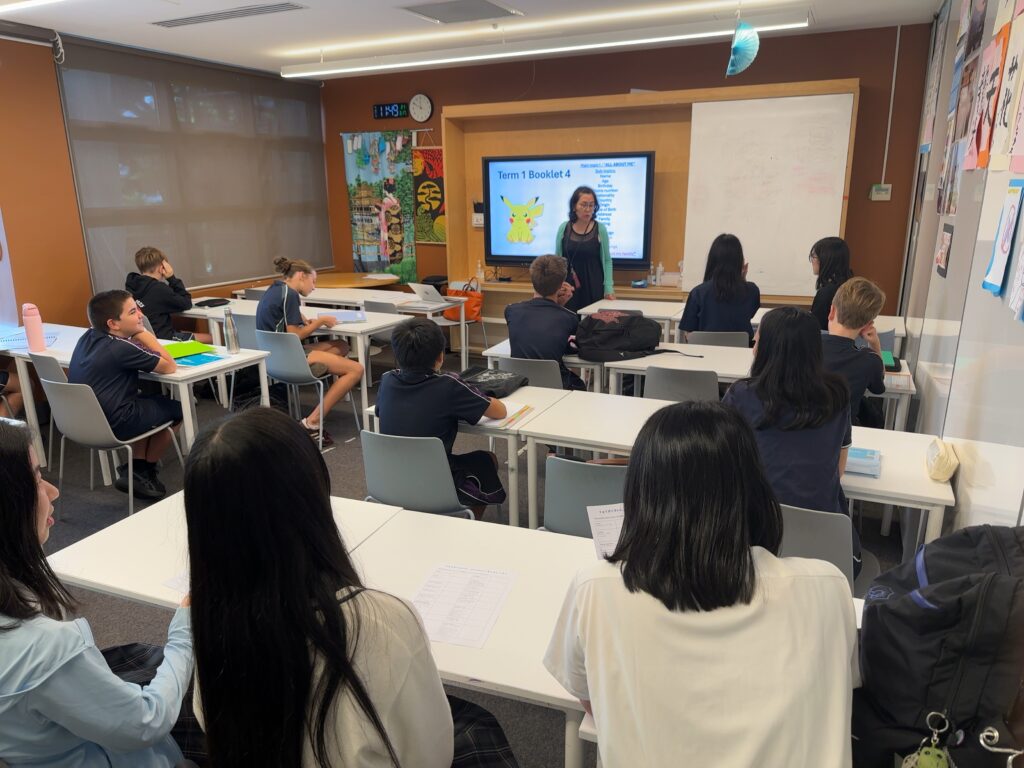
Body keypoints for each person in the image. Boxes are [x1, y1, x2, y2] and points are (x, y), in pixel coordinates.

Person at [184, 407, 519, 767]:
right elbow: (431, 756)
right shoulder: (380, 623)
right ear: (313, 491)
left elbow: (208, 721)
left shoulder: (209, 620)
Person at [544, 402, 859, 767]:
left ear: (640, 493)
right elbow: (835, 692)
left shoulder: (595, 590)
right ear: (754, 489)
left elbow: (593, 700)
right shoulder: (827, 587)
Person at [0, 419, 197, 767]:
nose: (52, 491)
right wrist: (185, 629)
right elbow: (144, 723)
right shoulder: (44, 647)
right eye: (34, 479)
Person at [722, 306, 860, 574]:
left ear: (766, 348)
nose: (753, 346)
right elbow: (839, 470)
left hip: (751, 542)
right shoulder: (837, 396)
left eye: (757, 339)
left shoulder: (740, 395)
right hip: (825, 551)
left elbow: (725, 466)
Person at [376, 317, 507, 519]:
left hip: (390, 478)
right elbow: (500, 411)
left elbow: (381, 412)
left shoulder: (387, 380)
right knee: (487, 459)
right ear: (440, 356)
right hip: (435, 479)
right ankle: (465, 519)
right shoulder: (449, 385)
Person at [68, 289, 182, 499]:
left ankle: (136, 468)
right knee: (176, 409)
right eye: (132, 312)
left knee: (149, 402)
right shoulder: (121, 348)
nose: (140, 315)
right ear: (113, 324)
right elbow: (169, 366)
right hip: (116, 422)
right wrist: (145, 334)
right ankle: (145, 469)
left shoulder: (88, 336)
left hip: (83, 421)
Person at [255, 257, 364, 446]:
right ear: (300, 276)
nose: (314, 287)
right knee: (356, 369)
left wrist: (301, 318)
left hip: (274, 357)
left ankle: (322, 368)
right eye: (313, 282)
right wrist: (320, 322)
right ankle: (312, 421)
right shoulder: (290, 295)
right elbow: (295, 334)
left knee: (342, 346)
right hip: (290, 356)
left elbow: (283, 322)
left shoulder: (275, 289)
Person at [505, 254, 585, 390]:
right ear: (561, 286)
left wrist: (556, 306)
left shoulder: (511, 310)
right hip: (555, 387)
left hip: (520, 385)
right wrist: (560, 306)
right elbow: (565, 347)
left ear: (532, 281)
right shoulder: (569, 318)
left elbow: (537, 317)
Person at [823, 277, 886, 427]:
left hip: (800, 432)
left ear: (831, 311)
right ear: (868, 325)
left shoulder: (804, 345)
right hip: (844, 435)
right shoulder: (869, 361)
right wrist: (875, 345)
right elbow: (878, 389)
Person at [679, 233, 760, 342]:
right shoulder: (752, 291)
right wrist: (742, 278)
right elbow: (747, 314)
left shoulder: (698, 293)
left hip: (704, 355)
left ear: (712, 261)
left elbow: (689, 335)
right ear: (739, 261)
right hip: (740, 354)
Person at [125, 246, 212, 343]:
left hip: (145, 340)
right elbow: (186, 303)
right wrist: (171, 278)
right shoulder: (158, 289)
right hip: (165, 340)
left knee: (185, 332)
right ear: (162, 267)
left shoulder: (131, 287)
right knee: (211, 338)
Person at [555, 186, 614, 311]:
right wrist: (556, 285)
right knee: (569, 323)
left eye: (591, 205)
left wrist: (609, 288)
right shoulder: (563, 228)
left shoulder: (600, 229)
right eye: (583, 205)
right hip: (568, 287)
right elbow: (557, 260)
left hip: (593, 284)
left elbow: (607, 260)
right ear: (574, 206)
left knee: (591, 324)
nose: (588, 209)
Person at [809, 236, 854, 330]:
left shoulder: (826, 293)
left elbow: (815, 330)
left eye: (814, 256)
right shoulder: (852, 286)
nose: (812, 261)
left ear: (826, 260)